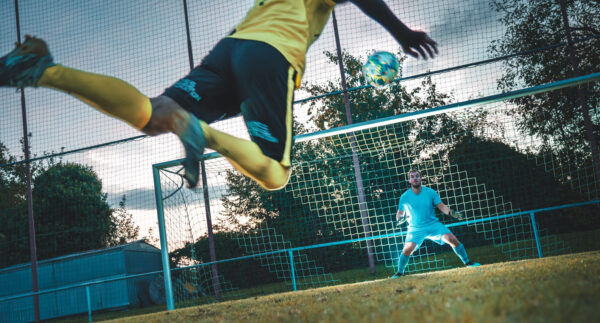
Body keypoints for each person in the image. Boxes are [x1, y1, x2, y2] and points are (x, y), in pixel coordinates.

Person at [0, 0, 437, 190]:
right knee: (275, 173)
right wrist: (401, 33)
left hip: (230, 49)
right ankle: (201, 134)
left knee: (155, 114)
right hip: (271, 54)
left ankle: (45, 71)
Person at [391, 169, 480, 279]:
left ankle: (468, 263)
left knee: (452, 239)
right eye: (412, 176)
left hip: (433, 225)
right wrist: (400, 219)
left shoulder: (431, 192)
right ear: (409, 180)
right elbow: (399, 213)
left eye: (417, 176)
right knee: (407, 250)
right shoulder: (405, 196)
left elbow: (441, 206)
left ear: (421, 178)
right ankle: (400, 273)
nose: (415, 178)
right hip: (415, 229)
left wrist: (452, 213)